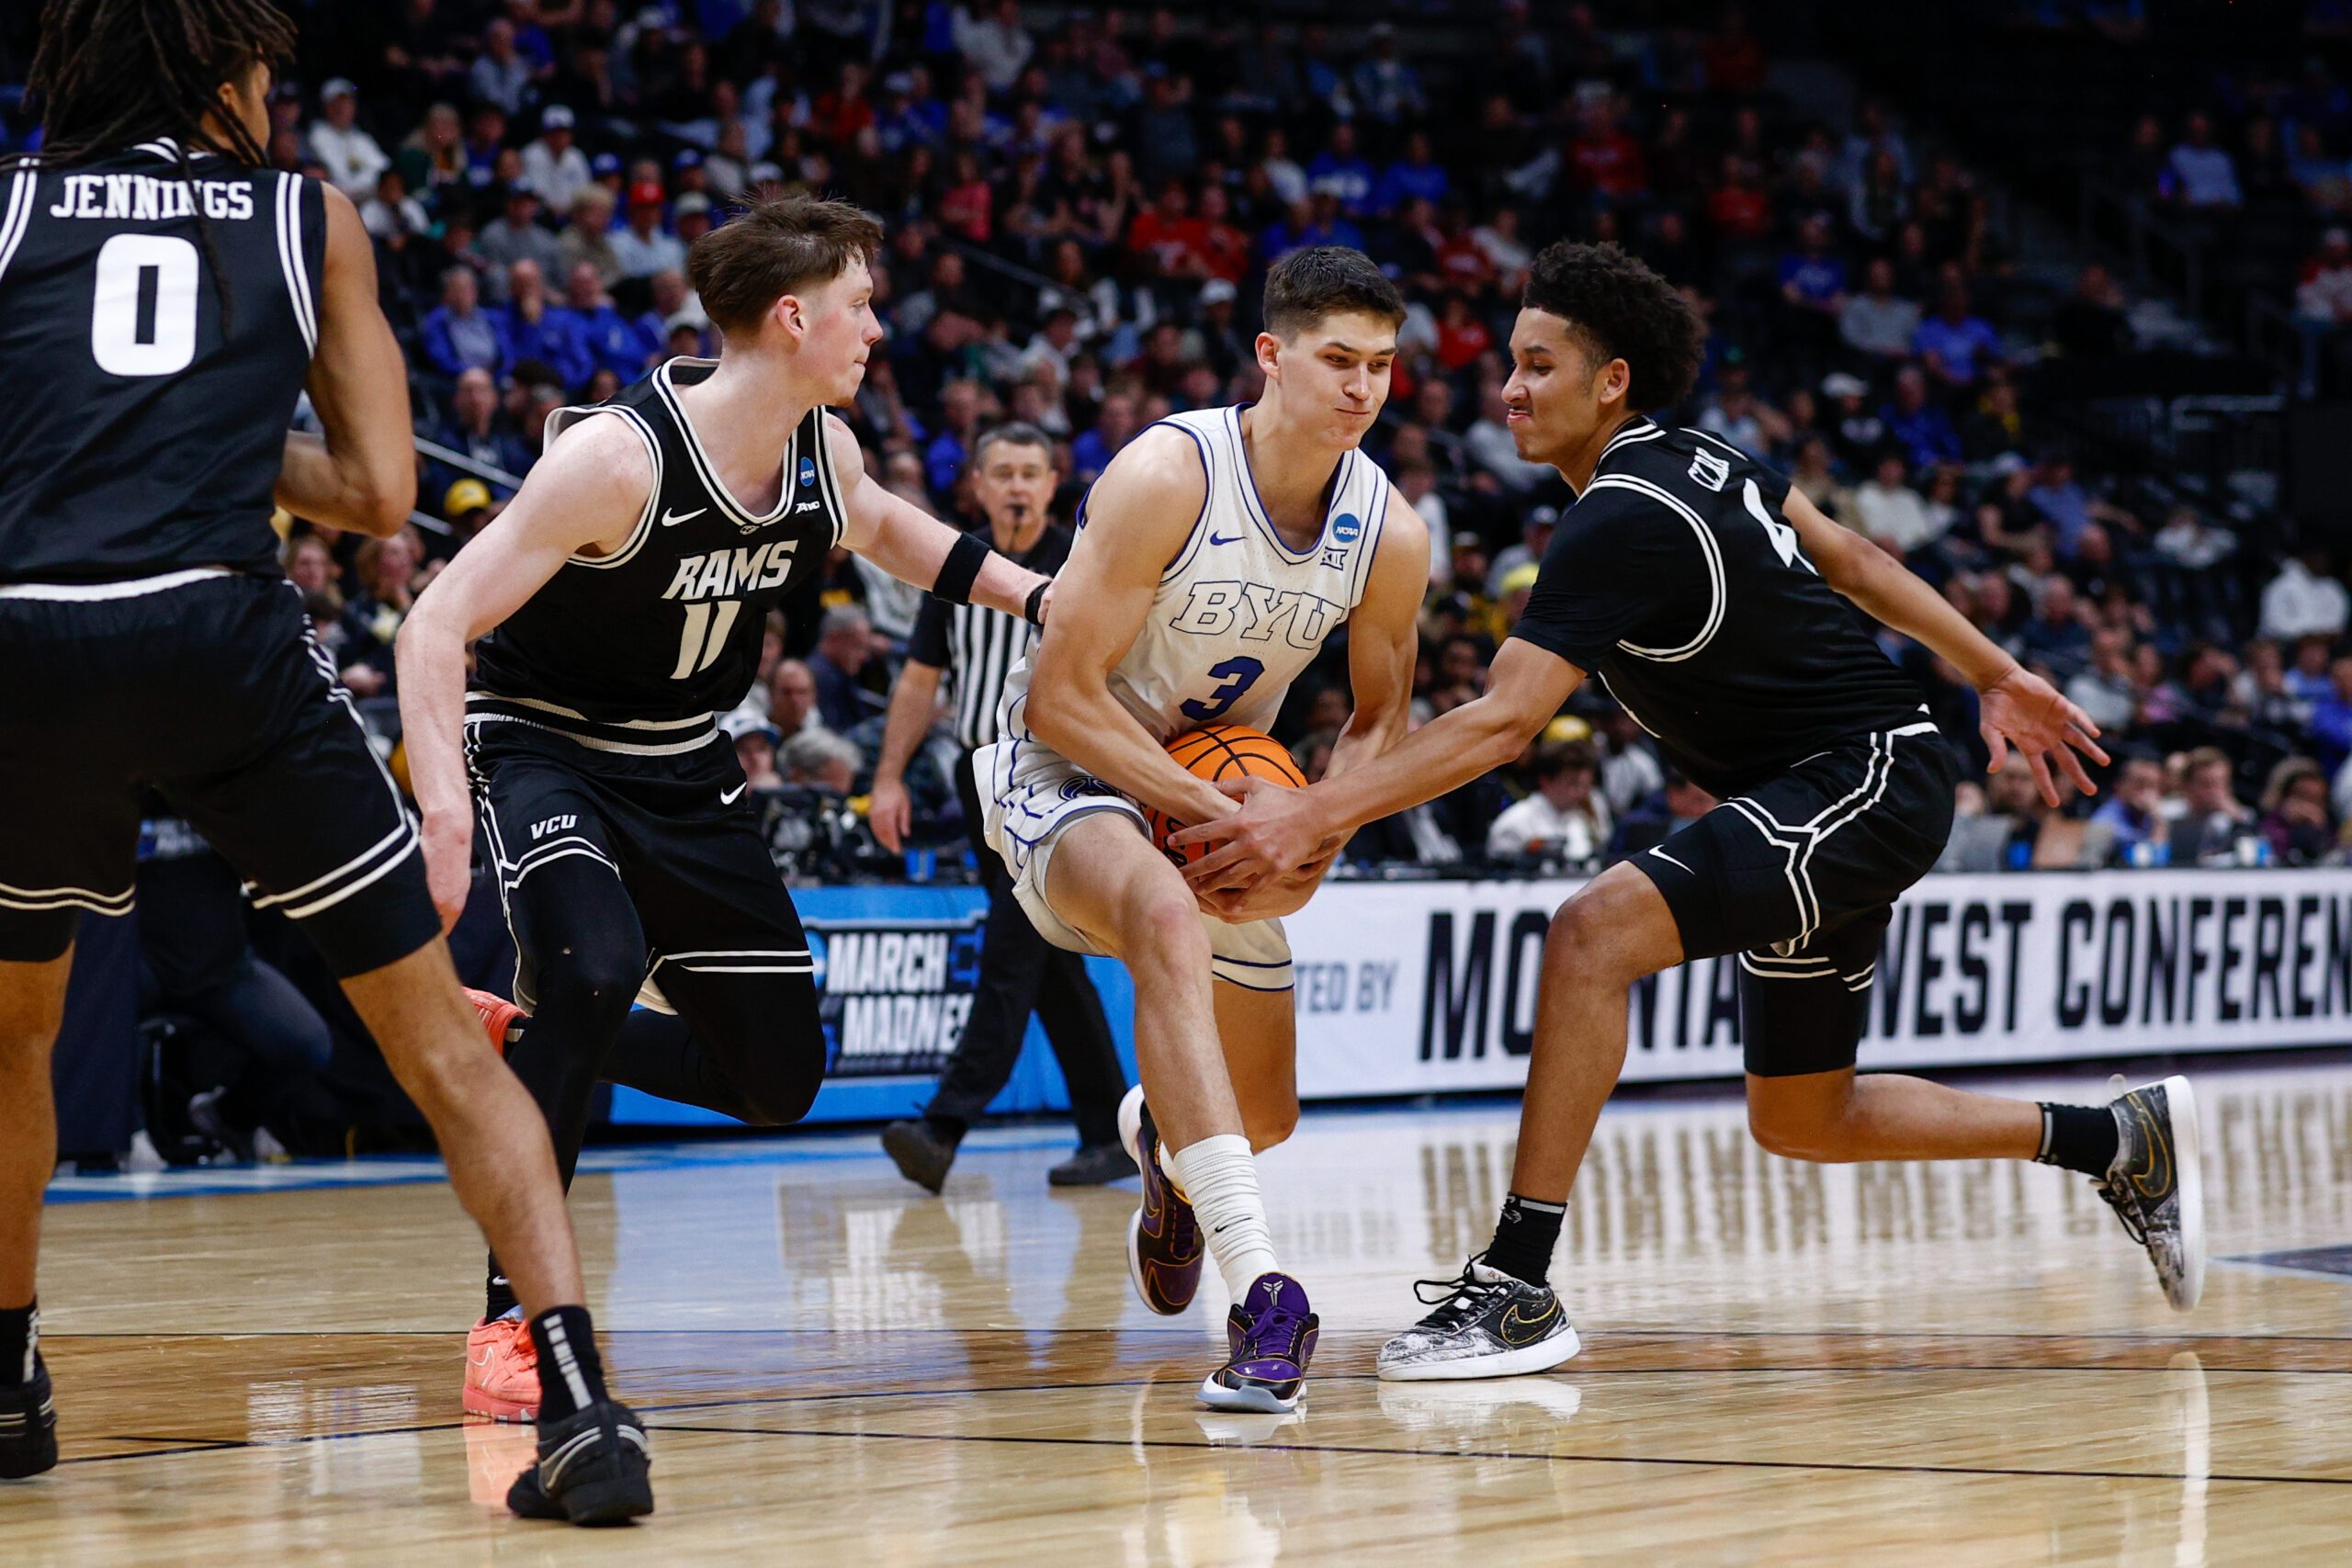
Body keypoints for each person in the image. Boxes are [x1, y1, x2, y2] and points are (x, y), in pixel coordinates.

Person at [1181, 242, 2200, 1382]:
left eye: (1537, 365)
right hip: (1849, 785)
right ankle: (2115, 1138)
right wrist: (1993, 673)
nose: (1508, 388)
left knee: (1589, 934)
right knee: (1803, 1117)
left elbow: (1503, 723)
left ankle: (1517, 1286)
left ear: (1611, 380)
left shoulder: (1619, 513)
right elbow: (1853, 557)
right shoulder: (1701, 459)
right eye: (1510, 365)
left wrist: (1304, 817)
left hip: (1856, 778)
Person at [0, 0, 648, 1522]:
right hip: (220, 636)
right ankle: (575, 1403)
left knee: (15, 1039)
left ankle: (9, 1380)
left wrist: (98, 438)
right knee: (435, 1040)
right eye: (264, 80)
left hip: (31, 637)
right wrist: (212, 440)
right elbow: (376, 492)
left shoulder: (14, 202)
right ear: (219, 83)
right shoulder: (308, 216)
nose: (275, 104)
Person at [397, 194, 1052, 1425]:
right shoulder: (616, 459)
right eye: (861, 304)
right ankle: (511, 1323)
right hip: (550, 747)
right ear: (794, 315)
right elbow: (436, 620)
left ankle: (514, 1037)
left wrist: (1033, 594)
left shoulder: (825, 450)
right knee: (592, 971)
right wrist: (442, 812)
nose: (876, 329)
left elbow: (890, 533)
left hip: (686, 764)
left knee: (777, 1078)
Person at [969, 248, 1429, 1414]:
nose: (1362, 387)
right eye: (1338, 360)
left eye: (1381, 365)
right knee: (1165, 910)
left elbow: (1380, 722)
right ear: (1272, 355)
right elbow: (1056, 695)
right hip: (1071, 779)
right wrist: (1231, 814)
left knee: (1257, 1116)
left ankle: (1166, 1158)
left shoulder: (1391, 531)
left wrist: (1317, 820)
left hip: (1218, 801)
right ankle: (1265, 1294)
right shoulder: (1168, 473)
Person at [869, 424, 1134, 1192]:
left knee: (1012, 952)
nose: (1018, 486)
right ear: (977, 485)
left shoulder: (1088, 563)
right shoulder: (951, 562)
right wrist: (888, 777)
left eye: (1031, 472)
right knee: (1046, 963)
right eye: (1003, 473)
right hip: (973, 772)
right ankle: (1111, 1127)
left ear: (1054, 484)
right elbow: (921, 680)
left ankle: (943, 1125)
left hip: (1056, 779)